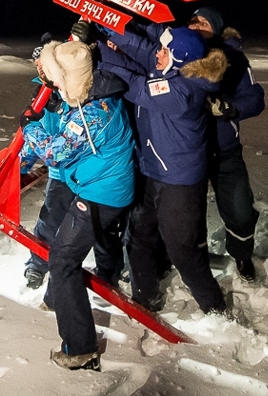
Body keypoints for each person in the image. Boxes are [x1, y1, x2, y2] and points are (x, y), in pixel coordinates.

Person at [94, 22, 229, 315]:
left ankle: (216, 310)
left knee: (183, 251)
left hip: (179, 182)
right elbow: (141, 49)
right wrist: (102, 33)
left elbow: (135, 86)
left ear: (180, 58)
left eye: (165, 51)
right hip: (152, 170)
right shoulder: (171, 69)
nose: (158, 54)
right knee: (139, 237)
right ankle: (146, 299)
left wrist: (100, 51)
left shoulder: (184, 90)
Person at [18, 40, 136, 371]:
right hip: (92, 185)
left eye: (57, 78)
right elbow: (57, 128)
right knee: (64, 252)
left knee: (64, 260)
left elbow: (56, 151)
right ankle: (60, 301)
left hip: (104, 193)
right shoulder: (86, 95)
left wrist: (29, 129)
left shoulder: (96, 111)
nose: (53, 84)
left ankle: (81, 349)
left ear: (71, 76)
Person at [21, 38, 130, 290]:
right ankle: (38, 264)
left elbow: (57, 147)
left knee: (99, 232)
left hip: (90, 178)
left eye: (45, 64)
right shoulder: (44, 94)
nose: (41, 69)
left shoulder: (86, 97)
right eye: (37, 64)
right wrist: (20, 168)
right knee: (50, 222)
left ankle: (107, 273)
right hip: (66, 175)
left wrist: (31, 127)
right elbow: (36, 140)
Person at [188, 7, 266, 282]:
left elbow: (255, 98)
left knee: (240, 209)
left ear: (217, 28)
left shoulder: (234, 59)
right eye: (193, 20)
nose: (196, 24)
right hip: (186, 152)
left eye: (204, 21)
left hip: (224, 151)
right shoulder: (178, 52)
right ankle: (190, 260)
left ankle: (242, 255)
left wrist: (229, 108)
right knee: (186, 215)